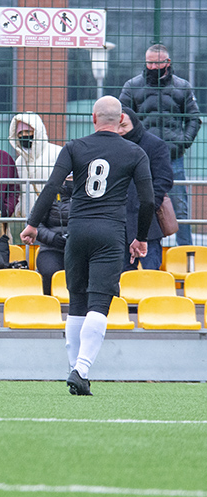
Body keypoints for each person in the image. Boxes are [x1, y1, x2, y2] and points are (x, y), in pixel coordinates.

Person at [21, 96, 154, 396]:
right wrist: (141, 238)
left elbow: (53, 187)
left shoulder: (74, 147)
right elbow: (147, 200)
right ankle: (81, 370)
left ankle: (73, 369)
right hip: (110, 233)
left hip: (77, 231)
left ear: (93, 118)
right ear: (121, 121)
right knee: (100, 303)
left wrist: (32, 223)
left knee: (77, 301)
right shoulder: (135, 152)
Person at [119, 43, 201, 246]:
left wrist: (182, 143)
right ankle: (130, 245)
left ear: (168, 62)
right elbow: (120, 117)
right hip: (138, 157)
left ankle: (186, 253)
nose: (154, 66)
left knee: (179, 206)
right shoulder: (132, 86)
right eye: (150, 62)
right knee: (132, 203)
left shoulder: (182, 87)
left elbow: (194, 118)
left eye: (158, 62)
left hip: (173, 156)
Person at [118, 107, 174, 271]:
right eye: (117, 126)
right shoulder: (112, 145)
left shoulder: (155, 145)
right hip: (118, 226)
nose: (120, 131)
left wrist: (148, 206)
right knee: (120, 280)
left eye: (124, 126)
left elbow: (164, 179)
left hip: (147, 225)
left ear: (134, 124)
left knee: (151, 277)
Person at [8, 112, 62, 217]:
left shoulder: (58, 153)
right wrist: (20, 210)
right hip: (28, 218)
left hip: (54, 217)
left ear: (37, 132)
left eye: (28, 131)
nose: (24, 135)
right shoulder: (19, 161)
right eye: (20, 133)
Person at [34, 176, 71, 295]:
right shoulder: (50, 195)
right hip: (51, 248)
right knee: (50, 272)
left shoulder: (88, 197)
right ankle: (49, 305)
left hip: (80, 250)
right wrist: (52, 238)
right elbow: (35, 224)